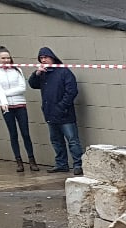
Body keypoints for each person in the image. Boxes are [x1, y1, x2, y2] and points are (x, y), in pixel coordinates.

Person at [28, 47, 83, 175]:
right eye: (41, 58)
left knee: (72, 140)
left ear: (52, 57)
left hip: (65, 114)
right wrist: (36, 73)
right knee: (56, 141)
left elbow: (72, 91)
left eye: (45, 57)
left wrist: (61, 107)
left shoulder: (64, 72)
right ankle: (61, 164)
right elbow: (32, 84)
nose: (44, 60)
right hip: (50, 113)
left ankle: (78, 164)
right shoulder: (43, 74)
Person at [0, 47, 38, 172]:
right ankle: (19, 161)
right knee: (13, 134)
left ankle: (32, 160)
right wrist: (4, 100)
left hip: (20, 104)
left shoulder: (17, 70)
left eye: (8, 57)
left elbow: (22, 88)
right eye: (3, 58)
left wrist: (5, 93)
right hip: (6, 106)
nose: (6, 60)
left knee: (25, 133)